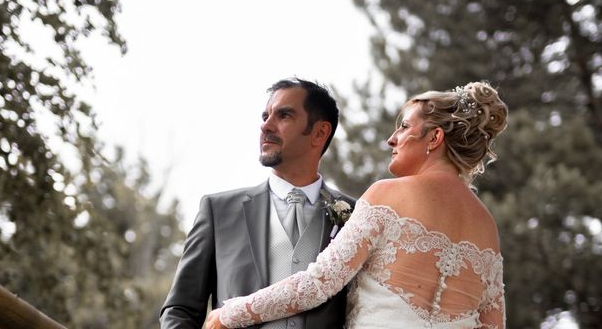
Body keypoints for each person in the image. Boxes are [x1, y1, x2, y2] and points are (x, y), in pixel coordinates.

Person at [205, 81, 508, 329]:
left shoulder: (388, 196)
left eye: (404, 127)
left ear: (435, 137)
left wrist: (229, 314)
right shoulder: (486, 226)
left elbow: (317, 285)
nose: (392, 139)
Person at [160, 78, 356, 329]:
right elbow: (180, 310)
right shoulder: (218, 211)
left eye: (284, 115)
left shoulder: (356, 215)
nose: (266, 126)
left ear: (319, 133)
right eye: (265, 117)